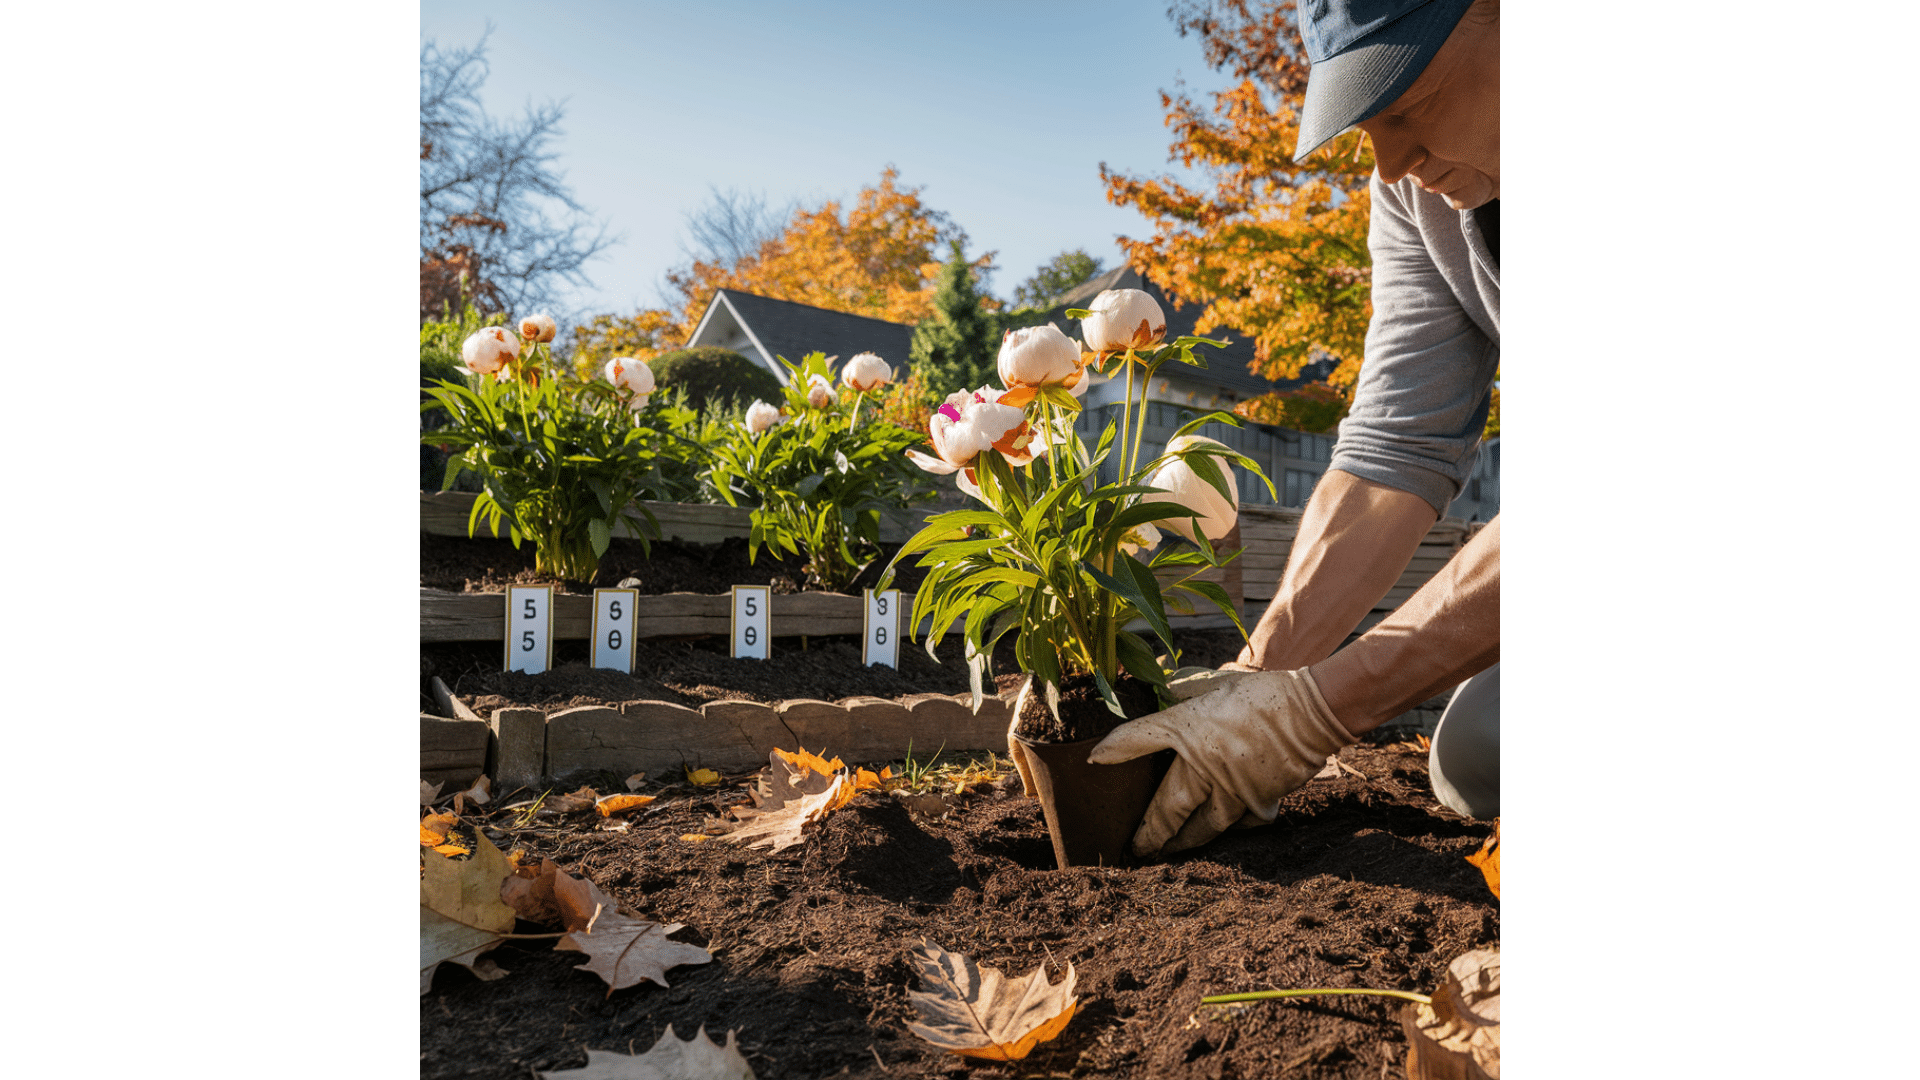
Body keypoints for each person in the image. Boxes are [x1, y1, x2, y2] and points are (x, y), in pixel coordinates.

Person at [1090, 0, 1502, 856]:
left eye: (1403, 102)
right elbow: (1399, 442)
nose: (1388, 161)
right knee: (1481, 756)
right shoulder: (1421, 200)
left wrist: (1319, 712)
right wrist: (1261, 680)